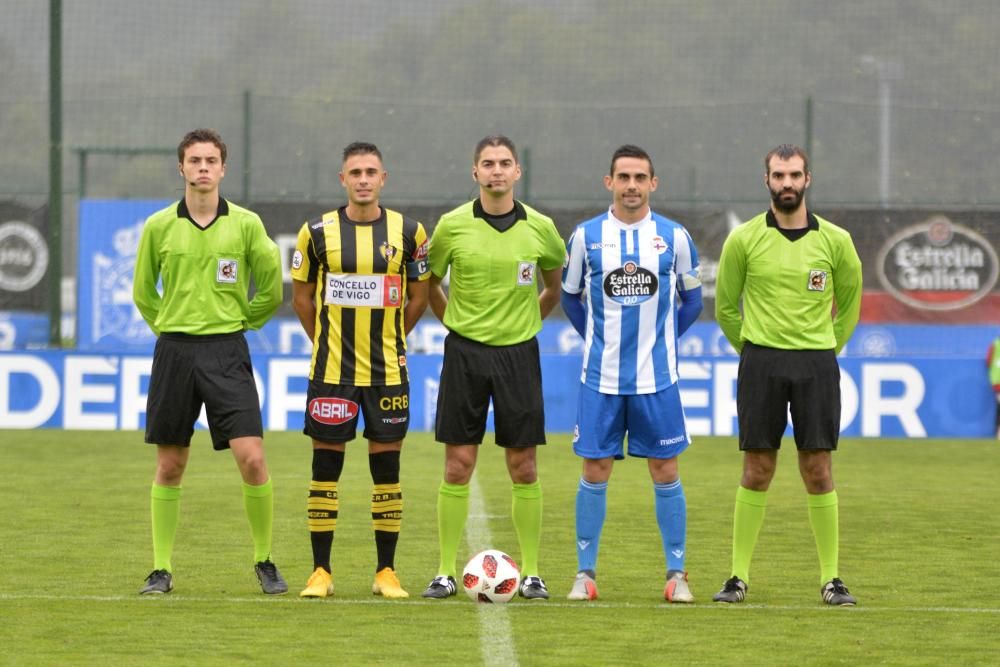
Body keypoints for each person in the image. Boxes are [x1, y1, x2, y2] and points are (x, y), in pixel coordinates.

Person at [133, 128, 286, 595]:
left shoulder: (246, 225)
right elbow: (144, 293)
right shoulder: (159, 226)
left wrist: (241, 319)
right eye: (194, 160)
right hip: (175, 353)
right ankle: (161, 569)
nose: (202, 167)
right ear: (181, 168)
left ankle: (264, 559)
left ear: (223, 168)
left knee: (252, 458)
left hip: (227, 351)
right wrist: (173, 326)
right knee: (171, 465)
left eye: (211, 160)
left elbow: (272, 287)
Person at [712, 144, 863, 606]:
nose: (787, 184)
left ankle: (832, 579)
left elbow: (850, 302)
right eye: (779, 176)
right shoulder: (744, 240)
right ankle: (737, 577)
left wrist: (826, 347)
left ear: (807, 179)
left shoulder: (835, 241)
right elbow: (724, 306)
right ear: (767, 181)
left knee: (818, 469)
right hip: (761, 363)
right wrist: (754, 349)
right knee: (757, 468)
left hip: (816, 364)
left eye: (794, 175)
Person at [421, 135, 565, 600]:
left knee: (523, 466)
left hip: (519, 355)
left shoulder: (541, 228)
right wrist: (459, 325)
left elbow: (552, 289)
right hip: (464, 354)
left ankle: (533, 573)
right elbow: (430, 286)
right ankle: (444, 570)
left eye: (505, 163)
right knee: (458, 464)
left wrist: (521, 326)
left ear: (517, 172)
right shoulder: (451, 226)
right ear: (475, 172)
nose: (497, 171)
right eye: (488, 164)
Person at [560, 145, 703, 603]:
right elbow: (569, 298)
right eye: (623, 177)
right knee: (595, 467)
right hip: (599, 379)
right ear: (609, 183)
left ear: (653, 183)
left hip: (656, 380)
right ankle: (584, 574)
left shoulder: (675, 237)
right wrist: (598, 340)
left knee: (665, 469)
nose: (632, 186)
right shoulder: (585, 236)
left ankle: (678, 575)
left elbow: (693, 301)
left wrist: (661, 342)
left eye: (640, 177)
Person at [290, 142, 430, 599]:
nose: (364, 179)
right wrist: (328, 343)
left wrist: (391, 339)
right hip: (331, 372)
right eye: (356, 172)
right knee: (325, 469)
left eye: (372, 171)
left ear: (384, 178)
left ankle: (386, 571)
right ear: (342, 179)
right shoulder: (315, 232)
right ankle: (320, 572)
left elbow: (419, 297)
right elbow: (303, 298)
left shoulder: (410, 232)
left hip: (388, 372)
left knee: (386, 472)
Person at [988, 335, 1000, 439]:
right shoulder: (995, 344)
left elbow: (988, 361)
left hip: (997, 381)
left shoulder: (995, 344)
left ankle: (997, 431)